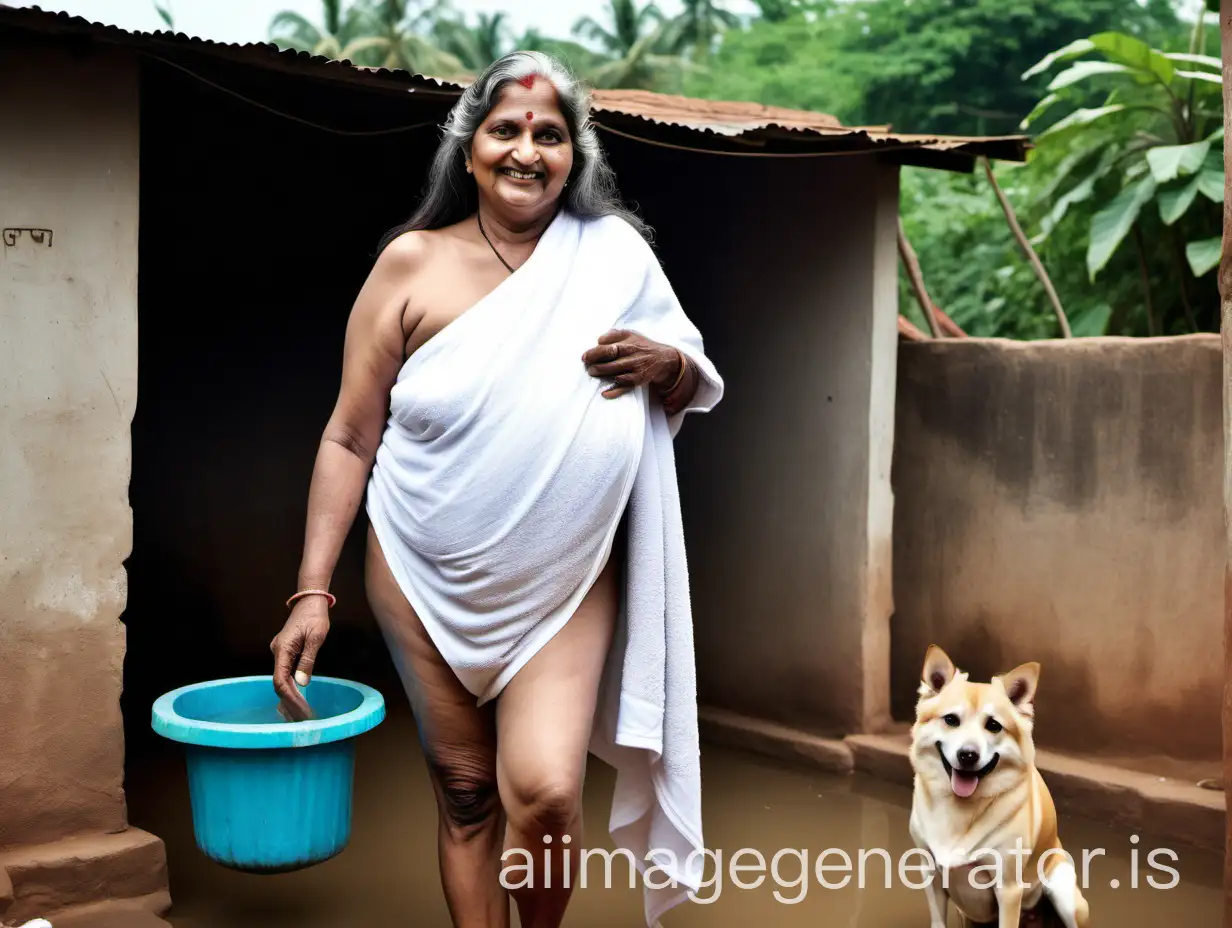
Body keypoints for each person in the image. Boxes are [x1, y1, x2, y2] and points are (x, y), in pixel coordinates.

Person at [269, 51, 723, 928]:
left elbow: (684, 386)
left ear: (575, 154)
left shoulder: (615, 256)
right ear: (468, 147)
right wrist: (311, 593)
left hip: (565, 580)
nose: (527, 150)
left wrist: (669, 364)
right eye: (506, 129)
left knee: (547, 793)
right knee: (469, 791)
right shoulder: (411, 265)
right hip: (419, 574)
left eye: (549, 134)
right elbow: (348, 435)